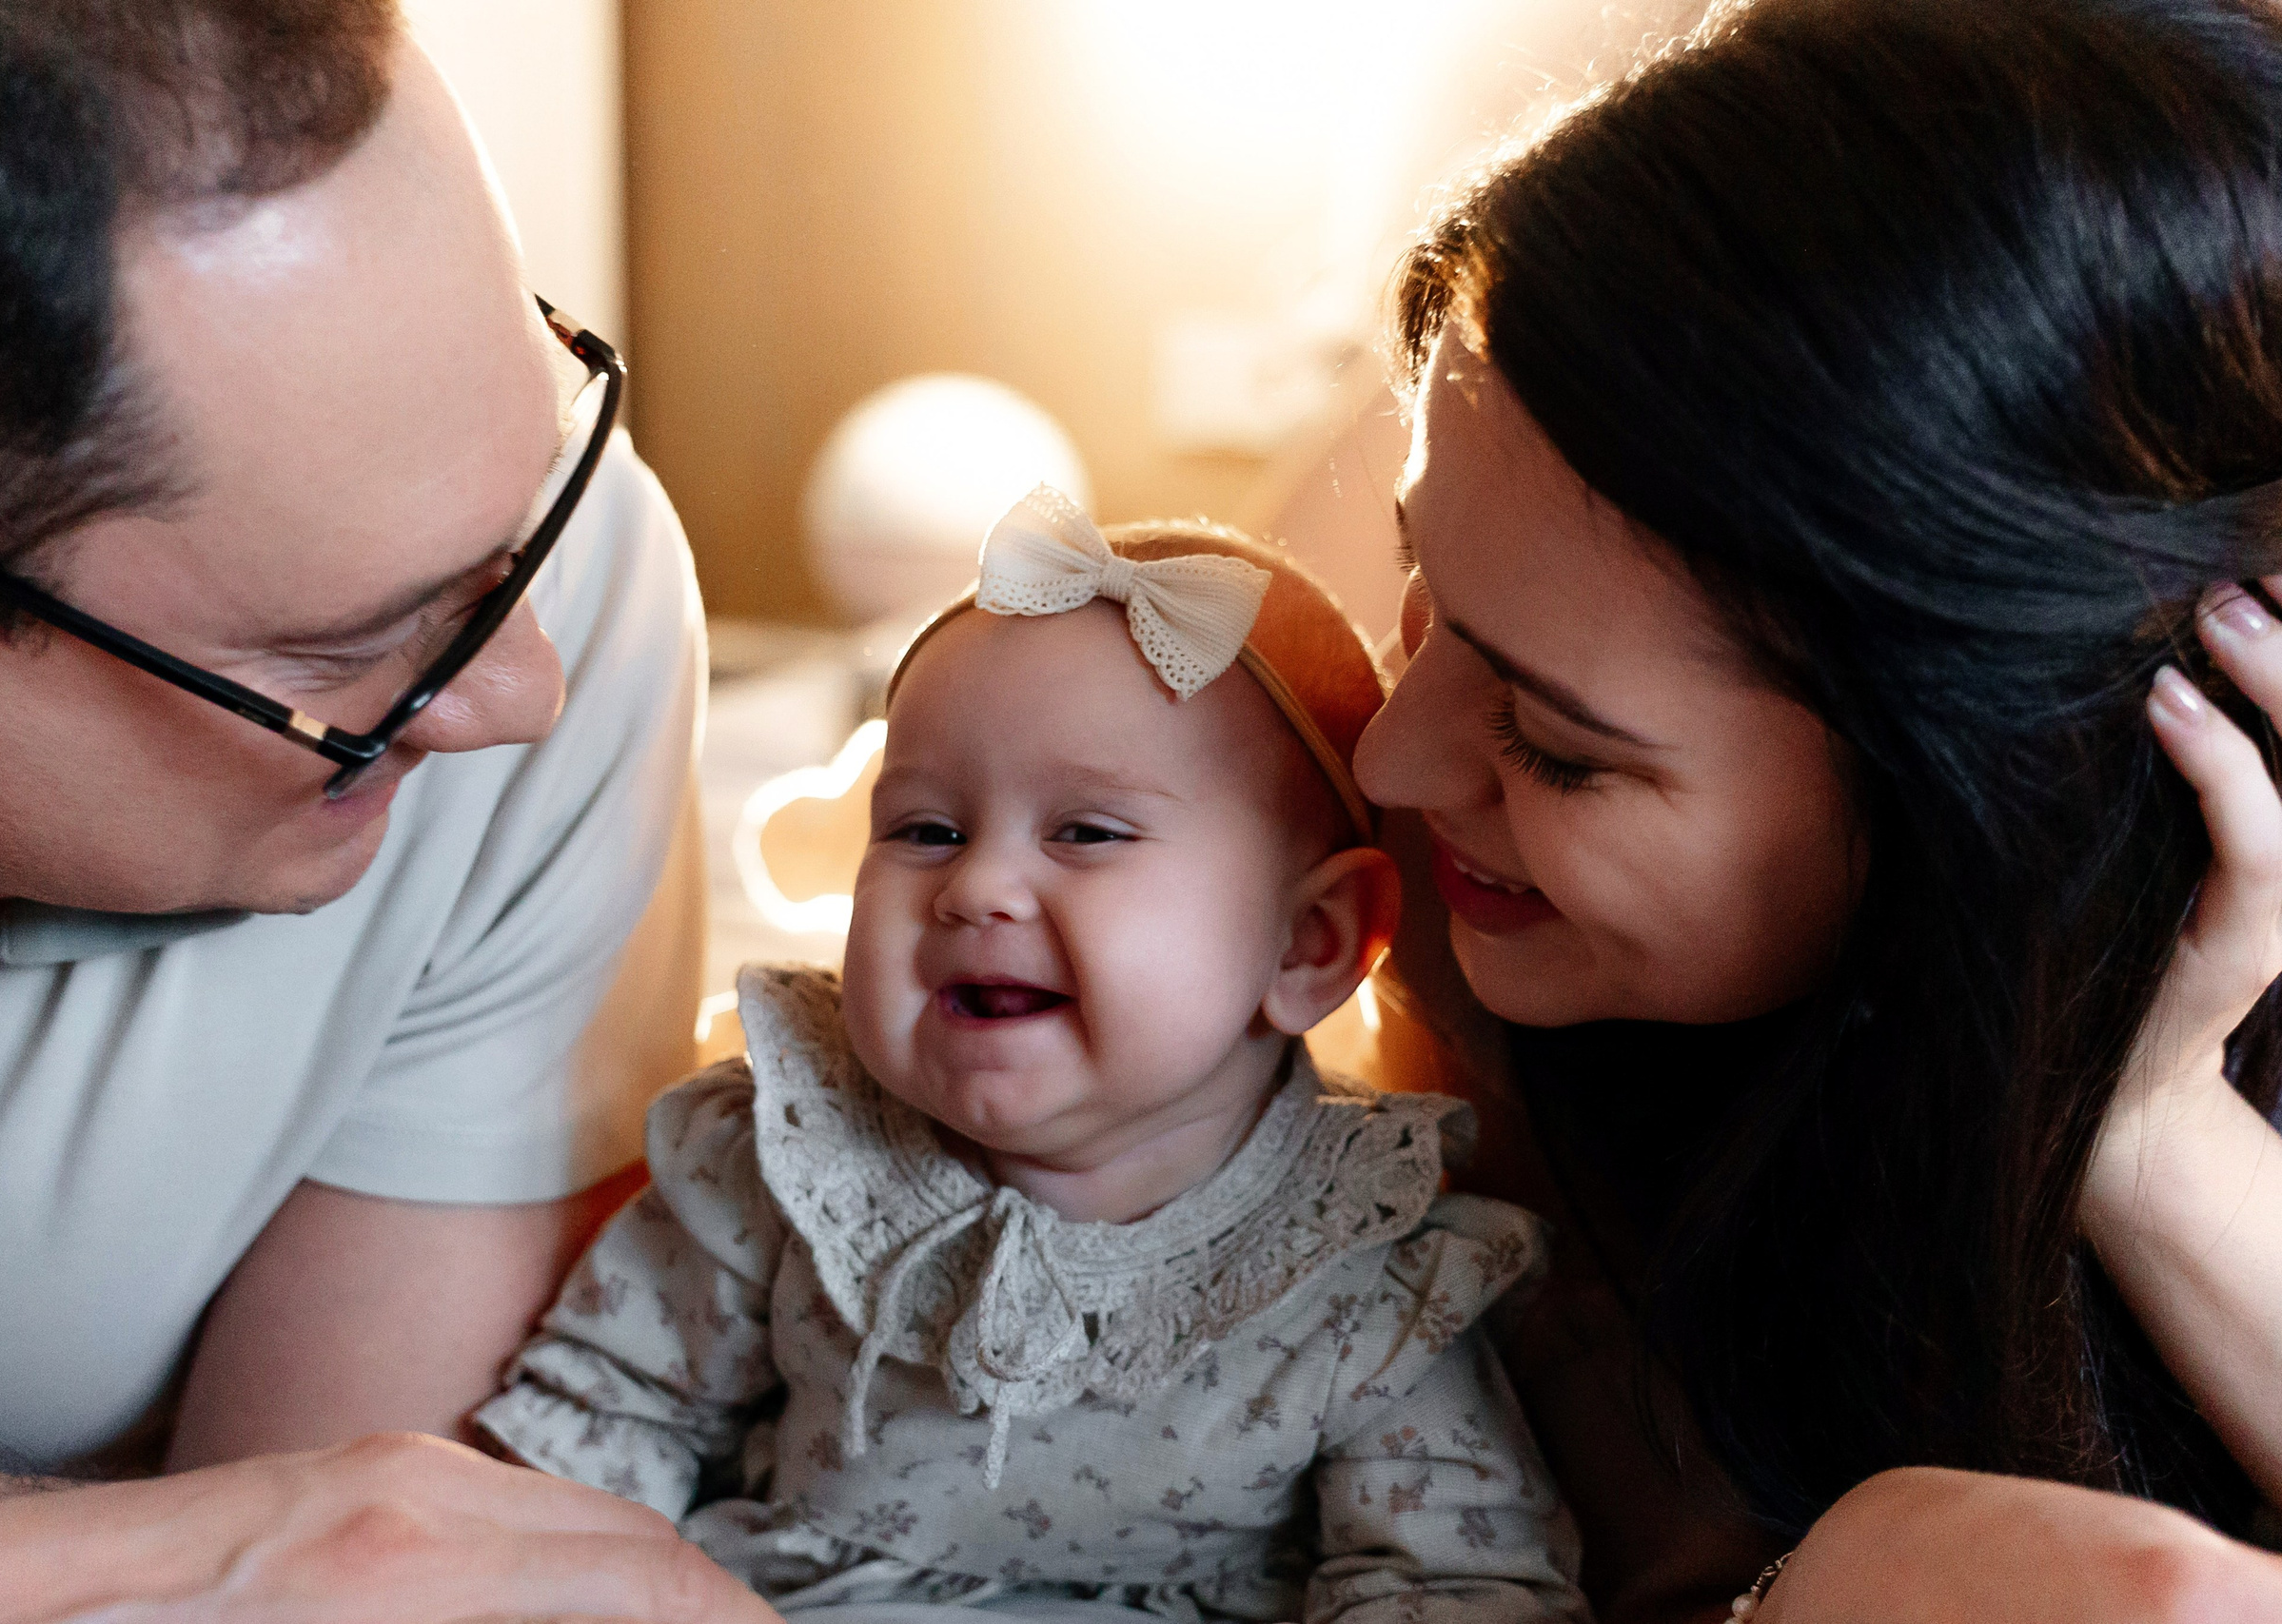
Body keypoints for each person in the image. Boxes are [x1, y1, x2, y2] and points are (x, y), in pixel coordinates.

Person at [1352, 0, 2282, 1618]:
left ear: (1988, 805)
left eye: (1556, 742)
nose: (1390, 755)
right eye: (1419, 591)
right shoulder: (1455, 937)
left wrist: (2133, 1121)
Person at [0, 2, 773, 1617]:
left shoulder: (556, 591)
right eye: (341, 652)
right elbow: (283, 1552)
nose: (523, 695)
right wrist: (132, 1545)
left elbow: (357, 1577)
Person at [477, 490, 1589, 1623]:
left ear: (1310, 943)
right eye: (925, 831)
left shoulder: (1363, 1263)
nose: (977, 887)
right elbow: (605, 1416)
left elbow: (1452, 1580)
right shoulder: (791, 1159)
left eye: (1086, 833)